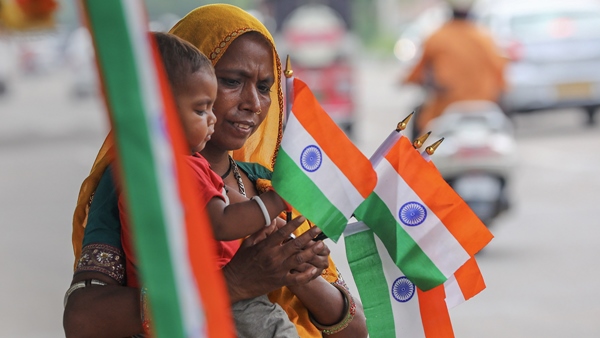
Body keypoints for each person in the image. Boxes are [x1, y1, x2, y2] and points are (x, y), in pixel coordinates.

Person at [64, 4, 367, 338]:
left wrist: (295, 271)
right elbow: (83, 319)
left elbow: (353, 331)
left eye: (265, 87)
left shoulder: (266, 183)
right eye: (232, 81)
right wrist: (231, 284)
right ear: (169, 89)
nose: (253, 102)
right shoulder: (139, 180)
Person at [114, 31, 299, 337]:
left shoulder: (173, 169)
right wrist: (279, 199)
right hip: (218, 303)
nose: (211, 118)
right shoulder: (179, 170)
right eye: (201, 109)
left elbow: (228, 202)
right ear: (160, 112)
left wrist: (284, 238)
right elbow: (223, 222)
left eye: (265, 87)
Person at [404, 0, 506, 136]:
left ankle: (415, 156)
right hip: (484, 103)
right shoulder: (485, 38)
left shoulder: (436, 37)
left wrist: (406, 80)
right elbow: (500, 71)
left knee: (419, 122)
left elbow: (419, 71)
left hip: (446, 105)